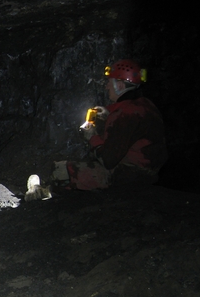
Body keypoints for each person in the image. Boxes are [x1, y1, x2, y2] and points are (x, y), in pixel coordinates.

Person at [26, 59, 167, 201]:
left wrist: (91, 136)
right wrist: (107, 118)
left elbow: (108, 161)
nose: (106, 87)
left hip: (128, 175)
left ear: (119, 85)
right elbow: (129, 135)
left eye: (109, 83)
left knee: (61, 170)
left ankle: (42, 193)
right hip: (149, 172)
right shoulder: (146, 105)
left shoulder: (124, 113)